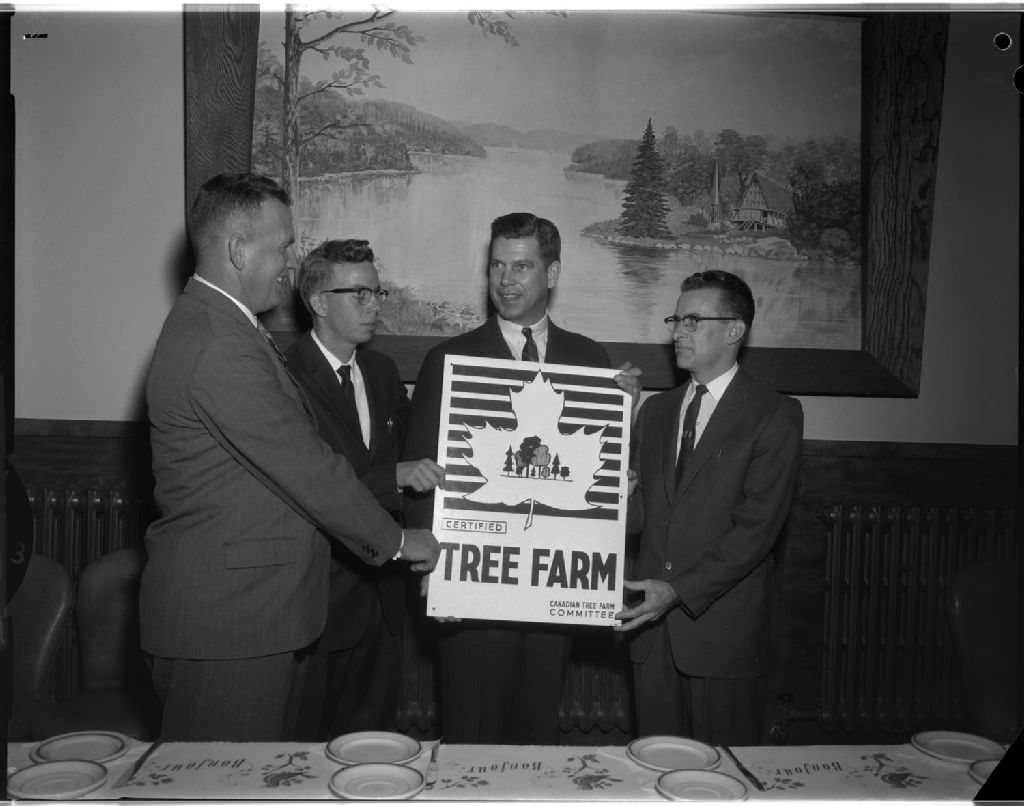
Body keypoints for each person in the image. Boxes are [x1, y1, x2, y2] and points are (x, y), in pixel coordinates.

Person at [139, 173, 440, 742]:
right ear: (238, 250)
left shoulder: (224, 325)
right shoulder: (221, 342)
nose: (290, 263)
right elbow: (308, 468)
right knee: (224, 782)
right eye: (282, 247)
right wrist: (400, 542)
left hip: (247, 617)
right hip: (231, 624)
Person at [402, 211, 641, 744]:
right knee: (472, 736)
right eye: (496, 266)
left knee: (537, 742)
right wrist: (434, 567)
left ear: (551, 273)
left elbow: (606, 474)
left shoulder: (591, 358)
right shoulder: (448, 359)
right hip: (472, 581)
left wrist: (625, 415)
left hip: (553, 585)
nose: (505, 280)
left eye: (522, 266)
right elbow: (421, 475)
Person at [614, 269, 803, 746]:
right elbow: (639, 521)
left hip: (721, 635)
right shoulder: (654, 412)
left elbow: (755, 532)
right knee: (654, 769)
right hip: (650, 633)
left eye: (693, 321)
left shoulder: (774, 414)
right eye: (676, 319)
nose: (678, 331)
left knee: (724, 774)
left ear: (735, 330)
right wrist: (622, 493)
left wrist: (676, 591)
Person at [285, 239, 445, 740]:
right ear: (318, 301)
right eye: (360, 294)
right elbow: (307, 485)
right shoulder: (284, 376)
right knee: (307, 751)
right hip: (319, 600)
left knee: (372, 749)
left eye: (378, 292)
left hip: (385, 600)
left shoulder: (381, 371)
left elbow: (424, 444)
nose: (375, 305)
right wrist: (392, 476)